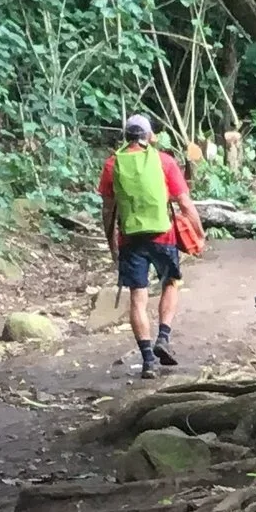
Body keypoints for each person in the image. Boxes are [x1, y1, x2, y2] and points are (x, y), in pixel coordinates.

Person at [101, 113, 192, 375]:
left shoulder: (112, 164)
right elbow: (184, 203)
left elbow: (108, 210)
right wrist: (197, 231)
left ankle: (148, 360)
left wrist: (112, 244)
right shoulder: (164, 161)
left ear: (126, 136)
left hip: (130, 239)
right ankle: (163, 337)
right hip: (163, 236)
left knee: (137, 298)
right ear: (150, 136)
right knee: (171, 282)